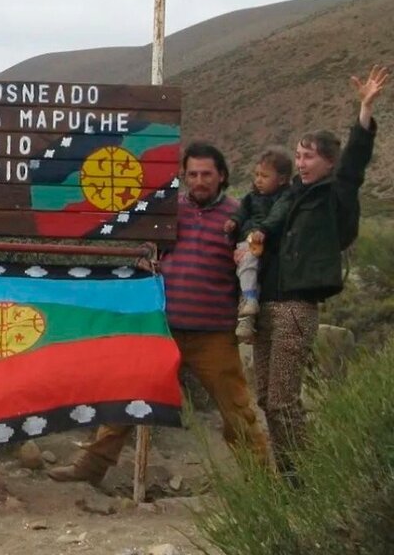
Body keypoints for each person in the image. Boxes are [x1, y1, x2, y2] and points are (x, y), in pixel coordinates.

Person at [48, 142, 269, 486]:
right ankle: (90, 469)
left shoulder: (237, 216)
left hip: (213, 334)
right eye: (192, 174)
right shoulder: (168, 212)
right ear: (183, 176)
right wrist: (144, 257)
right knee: (126, 396)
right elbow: (146, 248)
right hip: (162, 328)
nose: (199, 181)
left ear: (222, 176)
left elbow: (252, 264)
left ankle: (264, 484)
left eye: (206, 174)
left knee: (237, 410)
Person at [253, 64, 389, 479]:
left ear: (329, 162)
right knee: (266, 399)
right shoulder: (290, 195)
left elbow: (355, 163)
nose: (301, 163)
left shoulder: (335, 193)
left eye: (309, 156)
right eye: (298, 156)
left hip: (297, 307)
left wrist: (364, 111)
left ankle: (309, 476)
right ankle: (289, 473)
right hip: (267, 304)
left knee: (283, 401)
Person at [223, 147, 293, 341]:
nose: (259, 180)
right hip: (248, 239)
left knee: (248, 264)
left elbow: (278, 215)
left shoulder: (284, 197)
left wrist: (263, 230)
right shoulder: (251, 198)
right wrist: (233, 222)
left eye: (265, 176)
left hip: (263, 241)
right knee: (246, 271)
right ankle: (247, 315)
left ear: (282, 179)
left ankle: (250, 300)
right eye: (257, 175)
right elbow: (241, 213)